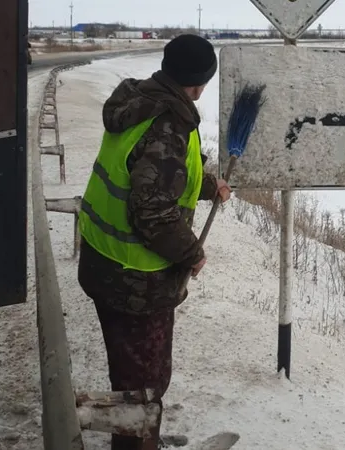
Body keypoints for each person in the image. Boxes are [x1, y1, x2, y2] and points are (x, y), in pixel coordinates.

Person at [77, 34, 230, 450]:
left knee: (127, 370)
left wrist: (208, 186)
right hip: (136, 281)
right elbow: (152, 212)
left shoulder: (138, 101)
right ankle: (135, 445)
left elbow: (147, 176)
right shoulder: (170, 124)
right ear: (199, 83)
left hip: (102, 261)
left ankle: (132, 439)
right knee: (145, 383)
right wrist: (192, 253)